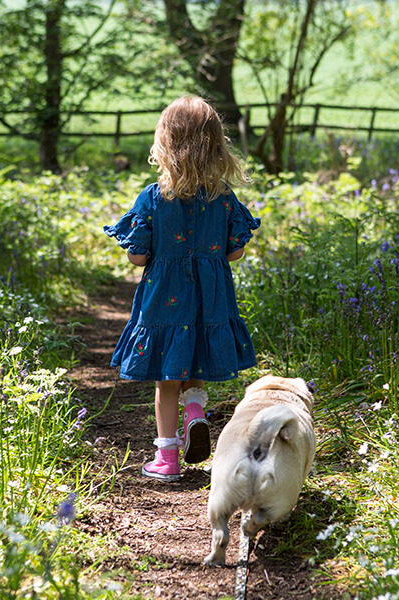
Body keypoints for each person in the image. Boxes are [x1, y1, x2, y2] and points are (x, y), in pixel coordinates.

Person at [104, 95, 260, 482]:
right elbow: (235, 251)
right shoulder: (224, 198)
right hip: (211, 295)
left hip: (164, 297)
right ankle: (195, 410)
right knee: (198, 355)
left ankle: (167, 460)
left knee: (166, 379)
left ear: (166, 144)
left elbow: (138, 257)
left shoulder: (153, 198)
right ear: (216, 144)